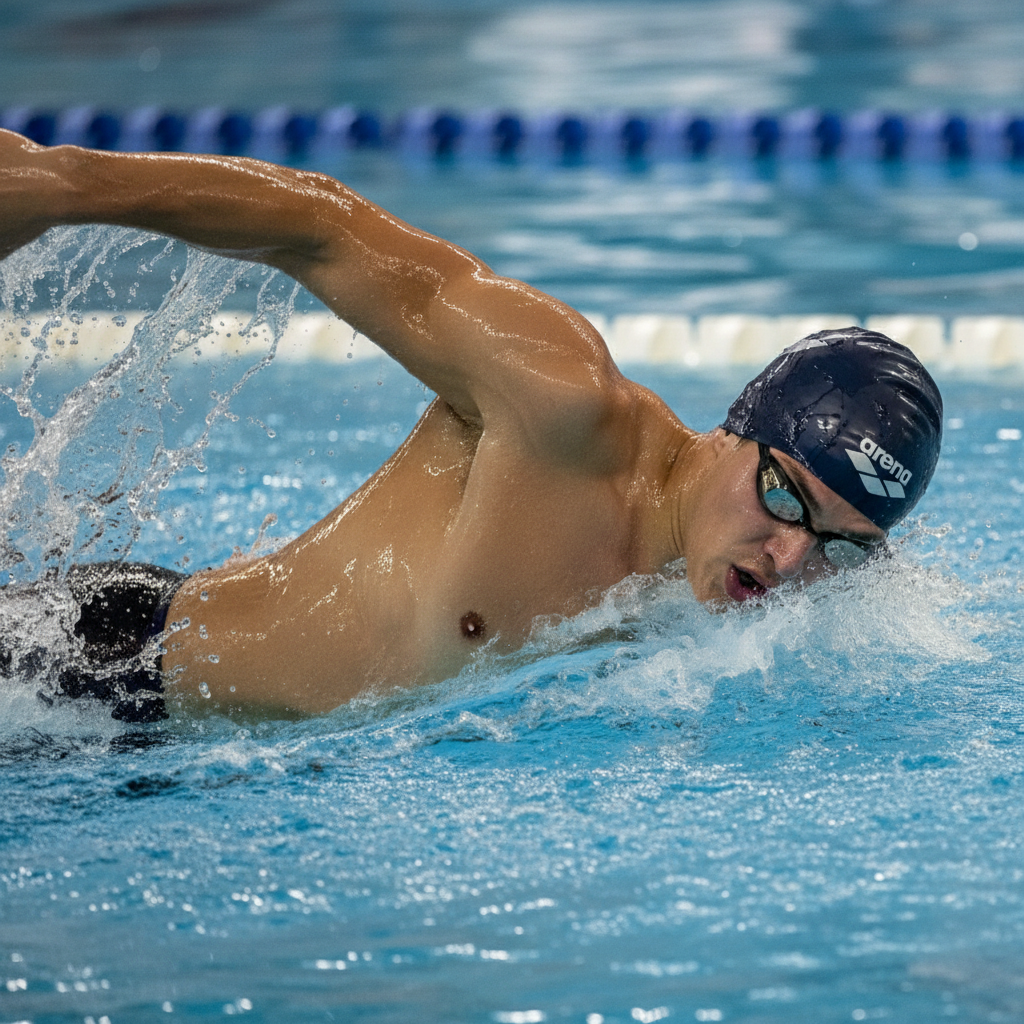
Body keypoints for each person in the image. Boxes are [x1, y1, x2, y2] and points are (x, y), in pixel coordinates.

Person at [0, 128, 943, 721]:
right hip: (102, 671)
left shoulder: (743, 601)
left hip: (181, 773)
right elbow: (327, 230)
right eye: (783, 495)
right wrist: (61, 185)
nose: (787, 560)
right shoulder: (561, 408)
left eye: (839, 545)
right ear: (737, 430)